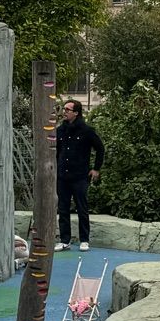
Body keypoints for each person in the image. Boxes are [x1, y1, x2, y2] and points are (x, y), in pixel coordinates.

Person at [54, 98, 104, 252]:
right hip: (63, 176)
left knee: (82, 208)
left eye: (68, 110)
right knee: (63, 208)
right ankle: (64, 240)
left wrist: (96, 168)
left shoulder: (86, 130)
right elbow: (56, 150)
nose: (64, 112)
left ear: (76, 112)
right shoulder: (60, 130)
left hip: (80, 176)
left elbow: (100, 148)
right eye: (64, 109)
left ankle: (84, 239)